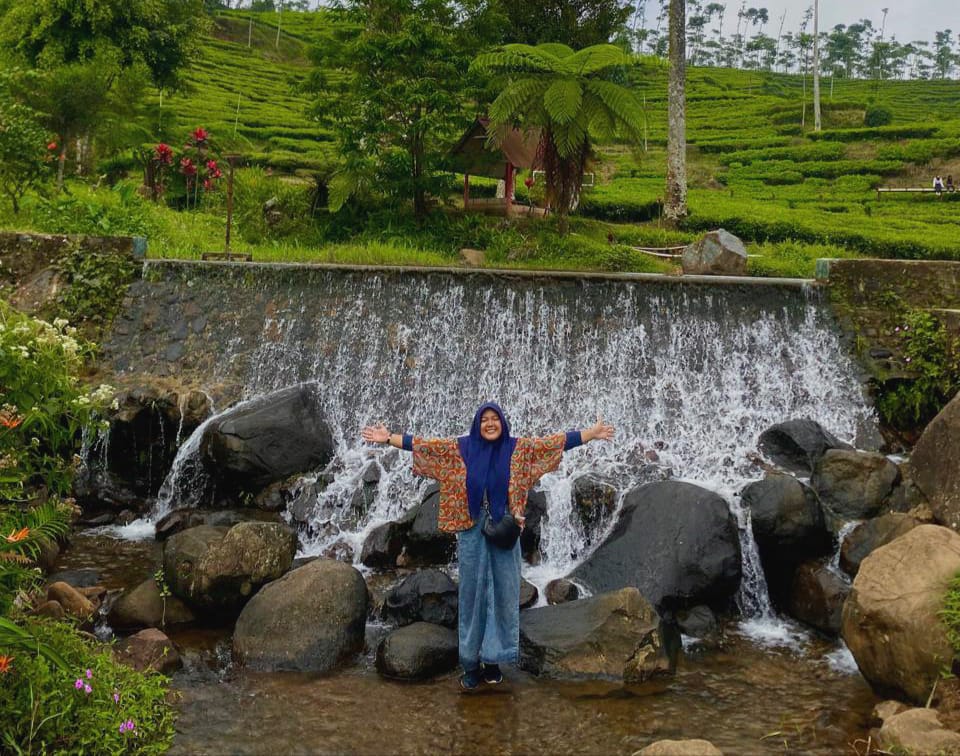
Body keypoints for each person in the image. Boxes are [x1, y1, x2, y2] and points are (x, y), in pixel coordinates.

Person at [361, 403, 614, 691]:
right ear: (477, 424)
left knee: (503, 594)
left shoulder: (518, 449)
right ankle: (470, 663)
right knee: (472, 595)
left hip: (504, 530)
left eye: (495, 419)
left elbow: (554, 443)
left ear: (503, 423)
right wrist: (389, 437)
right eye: (485, 419)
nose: (490, 423)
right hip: (471, 530)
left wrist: (591, 433)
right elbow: (423, 446)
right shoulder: (461, 449)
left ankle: (493, 660)